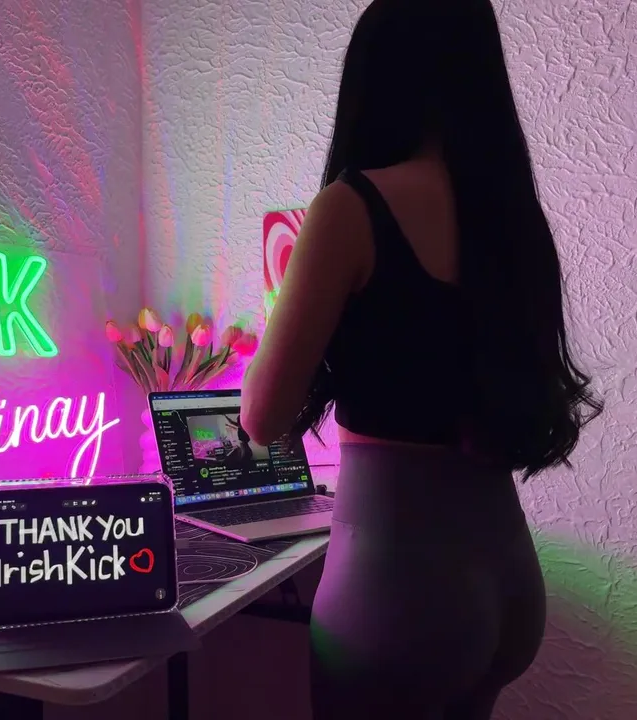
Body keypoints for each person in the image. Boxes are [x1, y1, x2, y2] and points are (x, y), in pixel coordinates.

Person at [239, 0, 603, 717]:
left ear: (375, 78)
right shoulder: (513, 221)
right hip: (507, 577)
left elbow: (262, 416)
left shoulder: (351, 206)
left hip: (398, 590)